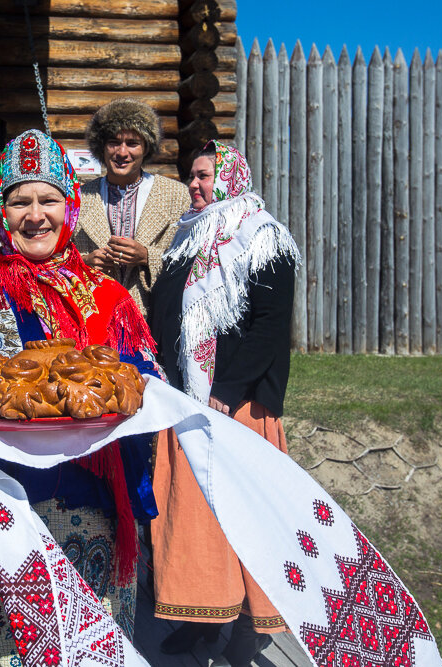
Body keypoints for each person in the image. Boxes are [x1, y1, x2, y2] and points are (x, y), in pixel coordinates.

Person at [0, 130, 162, 663]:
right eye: (20, 201)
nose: (35, 215)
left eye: (48, 199)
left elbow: (146, 379)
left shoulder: (109, 296)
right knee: (7, 649)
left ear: (70, 206)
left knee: (92, 647)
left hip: (93, 498)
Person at [148, 140, 300, 667]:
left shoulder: (262, 238)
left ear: (231, 176)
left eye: (204, 175)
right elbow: (162, 314)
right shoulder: (187, 241)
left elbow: (269, 330)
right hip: (186, 402)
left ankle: (247, 632)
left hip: (237, 407)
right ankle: (195, 621)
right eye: (190, 175)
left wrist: (225, 392)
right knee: (189, 521)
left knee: (244, 522)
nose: (194, 184)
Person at [74, 100, 191, 318]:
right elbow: (60, 257)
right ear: (102, 146)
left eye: (132, 143)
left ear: (146, 147)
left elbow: (190, 260)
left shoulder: (176, 195)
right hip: (95, 316)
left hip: (154, 317)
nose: (122, 152)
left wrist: (148, 257)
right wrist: (85, 263)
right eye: (113, 142)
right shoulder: (80, 197)